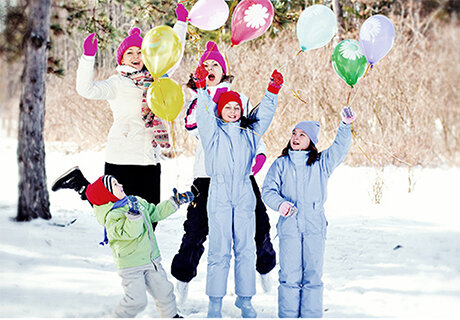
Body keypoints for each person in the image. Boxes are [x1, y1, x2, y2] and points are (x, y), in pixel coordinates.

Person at [51, 4, 188, 213]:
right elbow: (85, 89)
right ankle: (80, 185)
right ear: (121, 59)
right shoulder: (117, 83)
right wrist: (88, 57)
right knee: (116, 216)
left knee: (150, 219)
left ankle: (79, 183)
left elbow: (174, 57)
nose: (135, 56)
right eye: (130, 53)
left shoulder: (158, 79)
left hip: (150, 160)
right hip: (121, 158)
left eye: (140, 52)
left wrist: (181, 24)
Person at [171, 41, 276, 305]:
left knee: (259, 224)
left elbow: (253, 130)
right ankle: (182, 280)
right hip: (207, 176)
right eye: (205, 65)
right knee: (196, 229)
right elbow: (193, 127)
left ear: (223, 69)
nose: (210, 68)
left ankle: (264, 268)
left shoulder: (241, 99)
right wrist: (203, 93)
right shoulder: (197, 100)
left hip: (241, 177)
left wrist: (259, 155)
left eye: (215, 64)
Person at [193, 61, 284, 318]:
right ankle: (215, 302)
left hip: (244, 192)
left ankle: (245, 299)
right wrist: (201, 88)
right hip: (219, 193)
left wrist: (272, 91)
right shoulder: (212, 133)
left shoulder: (249, 133)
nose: (232, 111)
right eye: (227, 107)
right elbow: (203, 114)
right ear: (220, 110)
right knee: (219, 249)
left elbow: (264, 114)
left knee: (246, 248)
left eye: (236, 108)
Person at [261, 107, 356, 318]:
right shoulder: (281, 164)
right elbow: (268, 191)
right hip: (289, 226)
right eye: (294, 133)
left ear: (311, 141)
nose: (296, 137)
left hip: (314, 225)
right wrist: (280, 204)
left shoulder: (321, 163)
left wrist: (345, 125)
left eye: (302, 135)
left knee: (313, 275)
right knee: (289, 275)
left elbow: (339, 149)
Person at [85, 174, 194, 317]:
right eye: (115, 185)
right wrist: (133, 216)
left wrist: (175, 202)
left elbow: (155, 213)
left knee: (165, 292)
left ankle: (171, 316)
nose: (120, 185)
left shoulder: (136, 201)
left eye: (118, 182)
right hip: (131, 266)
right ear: (108, 194)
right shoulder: (112, 217)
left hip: (151, 260)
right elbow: (130, 233)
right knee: (136, 300)